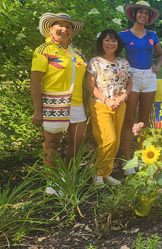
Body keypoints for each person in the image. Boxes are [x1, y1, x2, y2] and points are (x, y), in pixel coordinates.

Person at [31, 13, 87, 196]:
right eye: (59, 25)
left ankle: (67, 175)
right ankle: (52, 180)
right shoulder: (44, 49)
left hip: (76, 102)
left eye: (68, 26)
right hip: (53, 101)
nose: (64, 29)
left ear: (72, 31)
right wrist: (38, 111)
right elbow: (35, 82)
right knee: (52, 142)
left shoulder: (77, 51)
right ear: (51, 29)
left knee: (78, 141)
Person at [119, 1, 162, 175]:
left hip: (149, 77)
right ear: (134, 14)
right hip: (132, 77)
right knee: (129, 119)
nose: (143, 15)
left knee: (143, 120)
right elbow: (114, 54)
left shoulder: (152, 35)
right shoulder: (123, 35)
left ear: (149, 17)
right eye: (140, 12)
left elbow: (160, 55)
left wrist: (157, 66)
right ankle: (128, 161)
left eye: (146, 13)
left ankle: (141, 157)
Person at [86, 29, 132, 187]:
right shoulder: (95, 62)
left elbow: (129, 83)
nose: (110, 43)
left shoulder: (124, 62)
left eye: (113, 41)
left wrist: (123, 97)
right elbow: (90, 86)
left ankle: (106, 174)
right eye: (107, 40)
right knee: (108, 140)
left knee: (116, 141)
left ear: (118, 44)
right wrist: (106, 100)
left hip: (120, 105)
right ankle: (98, 174)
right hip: (100, 105)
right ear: (101, 43)